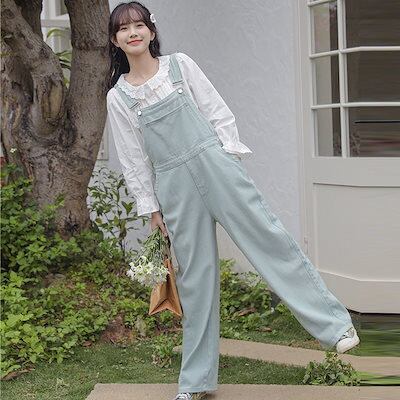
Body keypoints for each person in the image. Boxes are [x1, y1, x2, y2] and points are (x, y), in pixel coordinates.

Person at [106, 2, 360, 399]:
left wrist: (227, 158)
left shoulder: (179, 66)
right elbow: (133, 158)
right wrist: (151, 208)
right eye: (124, 28)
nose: (133, 32)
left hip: (214, 164)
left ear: (152, 32)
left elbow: (216, 110)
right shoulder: (119, 97)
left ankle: (335, 326)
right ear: (115, 40)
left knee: (267, 238)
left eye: (139, 25)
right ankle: (195, 382)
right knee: (195, 279)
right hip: (172, 185)